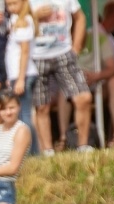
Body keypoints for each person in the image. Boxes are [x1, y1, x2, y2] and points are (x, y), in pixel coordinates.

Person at [29, 0, 93, 155]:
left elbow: (80, 17)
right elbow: (13, 23)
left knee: (83, 98)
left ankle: (82, 147)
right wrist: (33, 16)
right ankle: (47, 151)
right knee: (41, 106)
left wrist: (76, 48)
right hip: (36, 55)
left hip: (64, 53)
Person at [55, 24, 114, 148]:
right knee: (63, 90)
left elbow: (113, 68)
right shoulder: (62, 44)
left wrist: (95, 76)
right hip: (74, 87)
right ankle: (63, 138)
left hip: (98, 83)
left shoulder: (98, 38)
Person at [4, 0, 39, 154]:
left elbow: (24, 52)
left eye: (14, 3)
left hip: (23, 75)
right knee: (22, 115)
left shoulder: (24, 22)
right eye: (8, 4)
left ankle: (31, 152)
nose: (11, 7)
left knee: (25, 115)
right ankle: (30, 151)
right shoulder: (15, 20)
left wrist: (20, 78)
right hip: (15, 75)